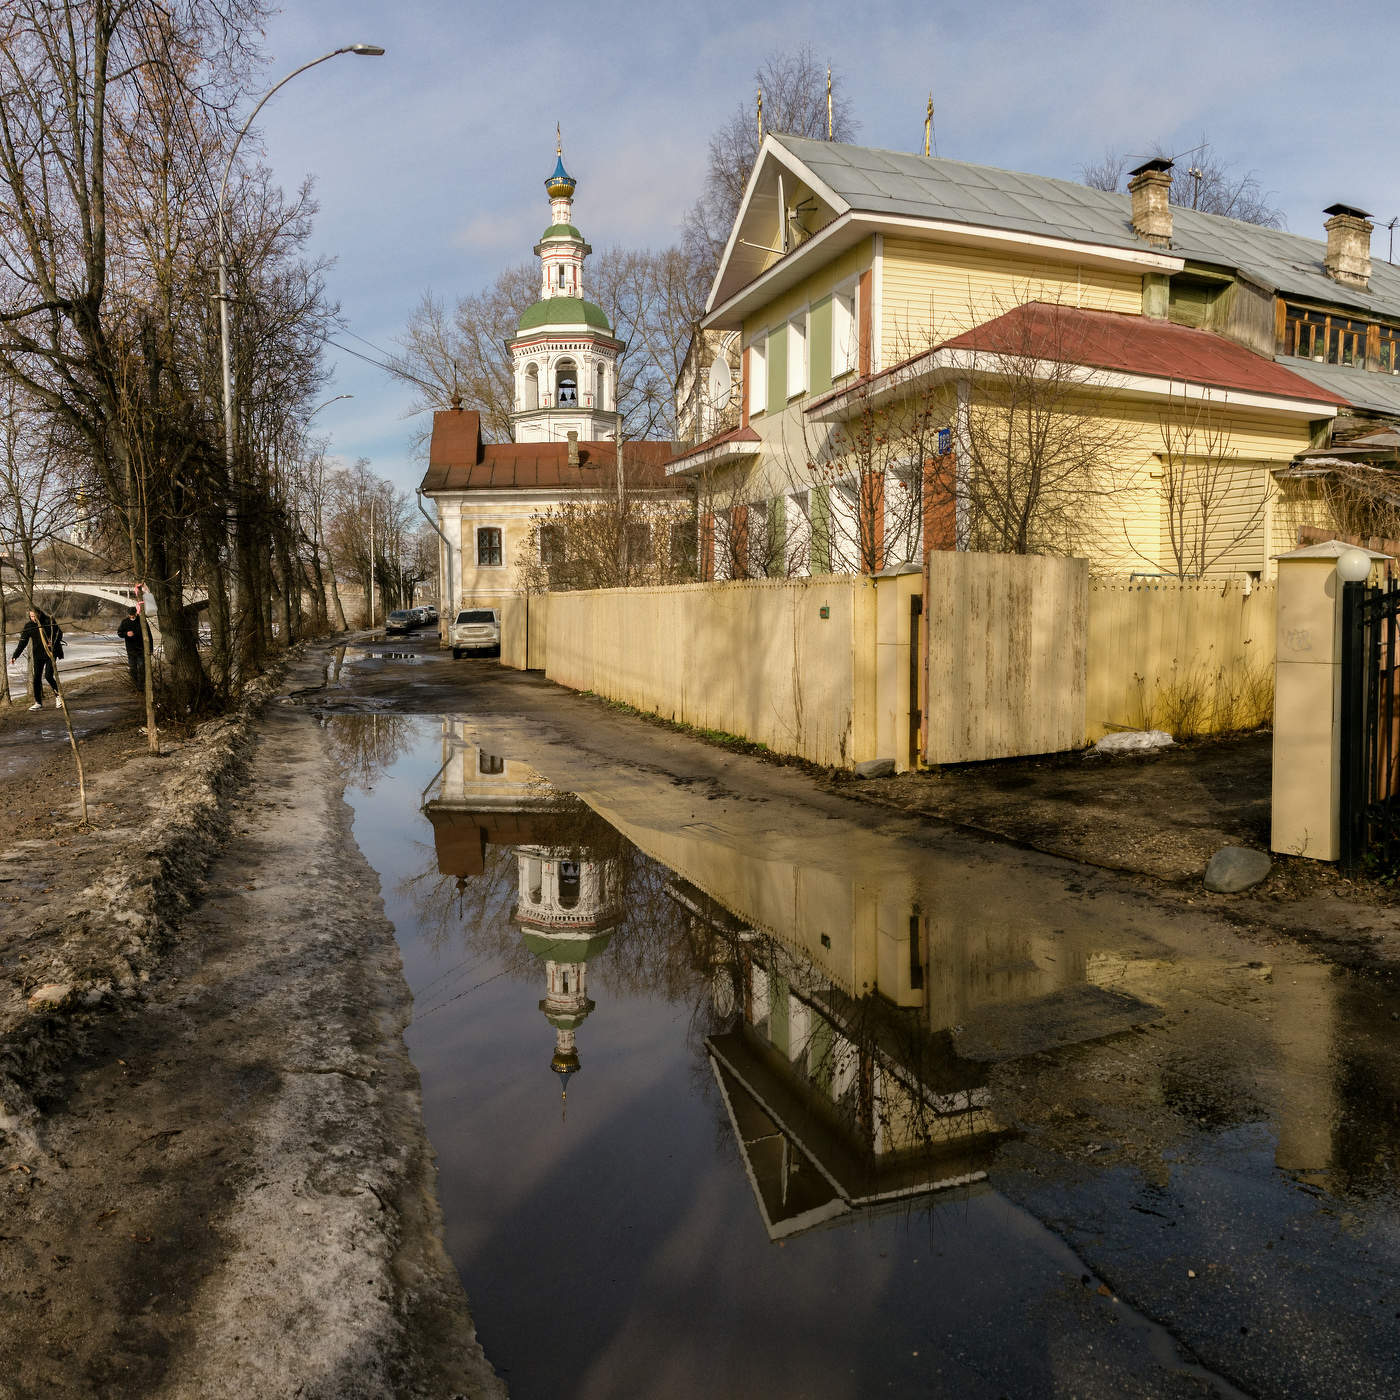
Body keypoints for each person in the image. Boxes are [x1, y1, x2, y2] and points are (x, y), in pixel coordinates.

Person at [9, 607, 63, 711]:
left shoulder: (49, 621)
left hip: (50, 653)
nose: (33, 618)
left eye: (34, 616)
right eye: (31, 616)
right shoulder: (29, 626)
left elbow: (59, 634)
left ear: (39, 614)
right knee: (36, 678)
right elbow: (22, 642)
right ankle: (38, 703)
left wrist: (53, 642)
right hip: (38, 655)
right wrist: (15, 656)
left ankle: (58, 697)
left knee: (48, 675)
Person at [117, 605, 150, 690]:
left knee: (142, 667)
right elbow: (119, 633)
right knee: (132, 668)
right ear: (128, 614)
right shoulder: (125, 622)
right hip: (130, 649)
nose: (132, 616)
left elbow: (149, 635)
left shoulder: (142, 621)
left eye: (133, 614)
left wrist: (150, 649)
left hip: (141, 648)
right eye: (130, 614)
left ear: (136, 613)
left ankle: (141, 685)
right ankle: (135, 685)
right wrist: (126, 634)